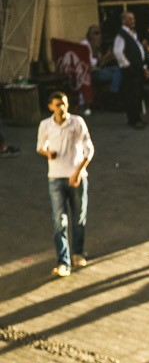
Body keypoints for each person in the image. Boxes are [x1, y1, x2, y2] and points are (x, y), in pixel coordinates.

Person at [35, 92, 95, 277]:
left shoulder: (76, 123)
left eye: (64, 104)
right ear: (51, 107)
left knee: (78, 219)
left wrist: (77, 172)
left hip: (76, 177)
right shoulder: (45, 125)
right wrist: (48, 153)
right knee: (59, 221)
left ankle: (78, 252)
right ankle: (63, 261)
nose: (62, 108)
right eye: (58, 104)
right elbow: (39, 146)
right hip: (55, 177)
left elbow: (89, 149)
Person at [112, 12, 149, 129]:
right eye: (129, 19)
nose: (133, 21)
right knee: (132, 94)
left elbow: (138, 51)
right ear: (123, 21)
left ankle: (137, 117)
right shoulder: (121, 35)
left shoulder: (132, 34)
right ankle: (134, 119)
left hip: (137, 67)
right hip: (130, 69)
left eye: (133, 18)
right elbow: (118, 52)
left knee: (138, 93)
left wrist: (143, 67)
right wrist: (127, 65)